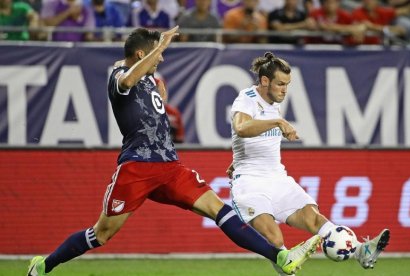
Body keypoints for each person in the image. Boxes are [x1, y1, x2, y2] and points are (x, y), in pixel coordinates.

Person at [27, 26, 321, 276]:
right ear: (143, 54)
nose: (163, 57)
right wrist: (160, 45)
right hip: (137, 168)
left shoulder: (151, 81)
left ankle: (279, 257)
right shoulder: (119, 77)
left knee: (219, 210)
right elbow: (127, 78)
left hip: (169, 166)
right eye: (158, 52)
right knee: (101, 234)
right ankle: (44, 265)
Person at [226, 51, 390, 276]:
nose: (284, 89)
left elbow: (255, 142)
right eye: (280, 84)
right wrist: (278, 122)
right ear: (265, 81)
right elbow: (242, 128)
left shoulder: (273, 102)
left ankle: (361, 251)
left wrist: (237, 160)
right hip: (251, 184)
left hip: (278, 179)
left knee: (314, 218)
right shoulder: (247, 97)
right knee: (275, 238)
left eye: (287, 84)